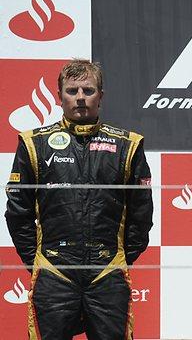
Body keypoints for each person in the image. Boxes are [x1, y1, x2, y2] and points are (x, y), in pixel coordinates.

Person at [5, 59, 154, 340]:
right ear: (59, 95)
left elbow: (141, 216)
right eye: (72, 91)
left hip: (107, 270)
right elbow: (17, 212)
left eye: (88, 90)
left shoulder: (127, 145)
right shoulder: (33, 143)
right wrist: (39, 262)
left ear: (101, 95)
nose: (81, 98)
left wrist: (118, 259)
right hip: (54, 270)